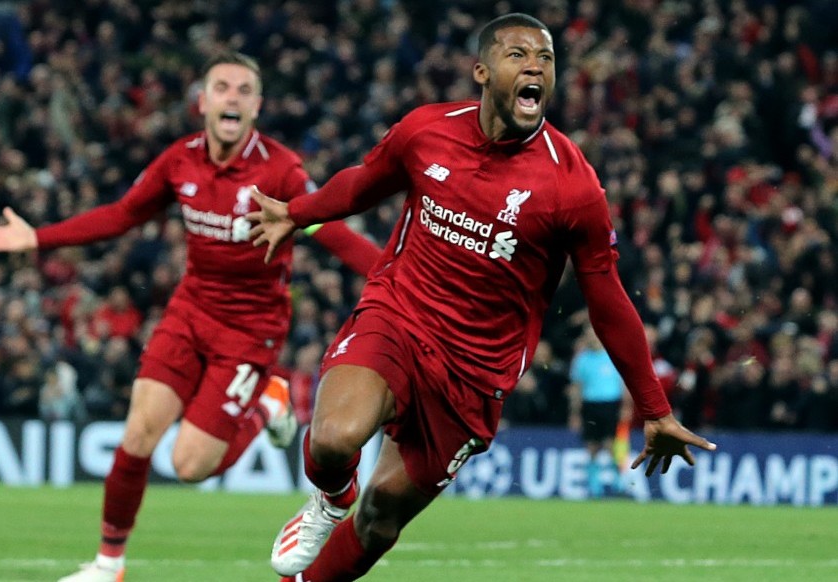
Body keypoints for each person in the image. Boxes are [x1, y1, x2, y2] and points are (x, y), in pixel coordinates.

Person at [248, 13, 717, 581]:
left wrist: (654, 408)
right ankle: (331, 496)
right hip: (398, 315)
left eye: (545, 59)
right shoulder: (426, 131)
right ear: (482, 71)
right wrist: (296, 213)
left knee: (380, 521)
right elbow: (363, 183)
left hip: (474, 373)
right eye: (518, 55)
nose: (535, 68)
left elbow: (607, 298)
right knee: (332, 439)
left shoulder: (572, 185)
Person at [0, 51, 382, 582]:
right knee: (138, 434)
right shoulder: (180, 161)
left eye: (244, 90)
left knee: (190, 466)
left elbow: (334, 233)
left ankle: (267, 403)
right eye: (222, 87)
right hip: (190, 312)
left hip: (250, 329)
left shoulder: (281, 171)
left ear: (257, 107)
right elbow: (122, 215)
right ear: (202, 101)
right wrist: (38, 238)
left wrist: (400, 280)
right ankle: (108, 565)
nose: (232, 97)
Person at [568, 324, 627, 497]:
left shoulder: (612, 355)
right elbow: (577, 387)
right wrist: (575, 413)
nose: (591, 338)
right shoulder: (582, 359)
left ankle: (619, 484)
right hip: (590, 405)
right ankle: (595, 488)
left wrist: (626, 406)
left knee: (611, 445)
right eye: (588, 335)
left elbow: (624, 383)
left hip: (610, 405)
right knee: (592, 447)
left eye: (594, 334)